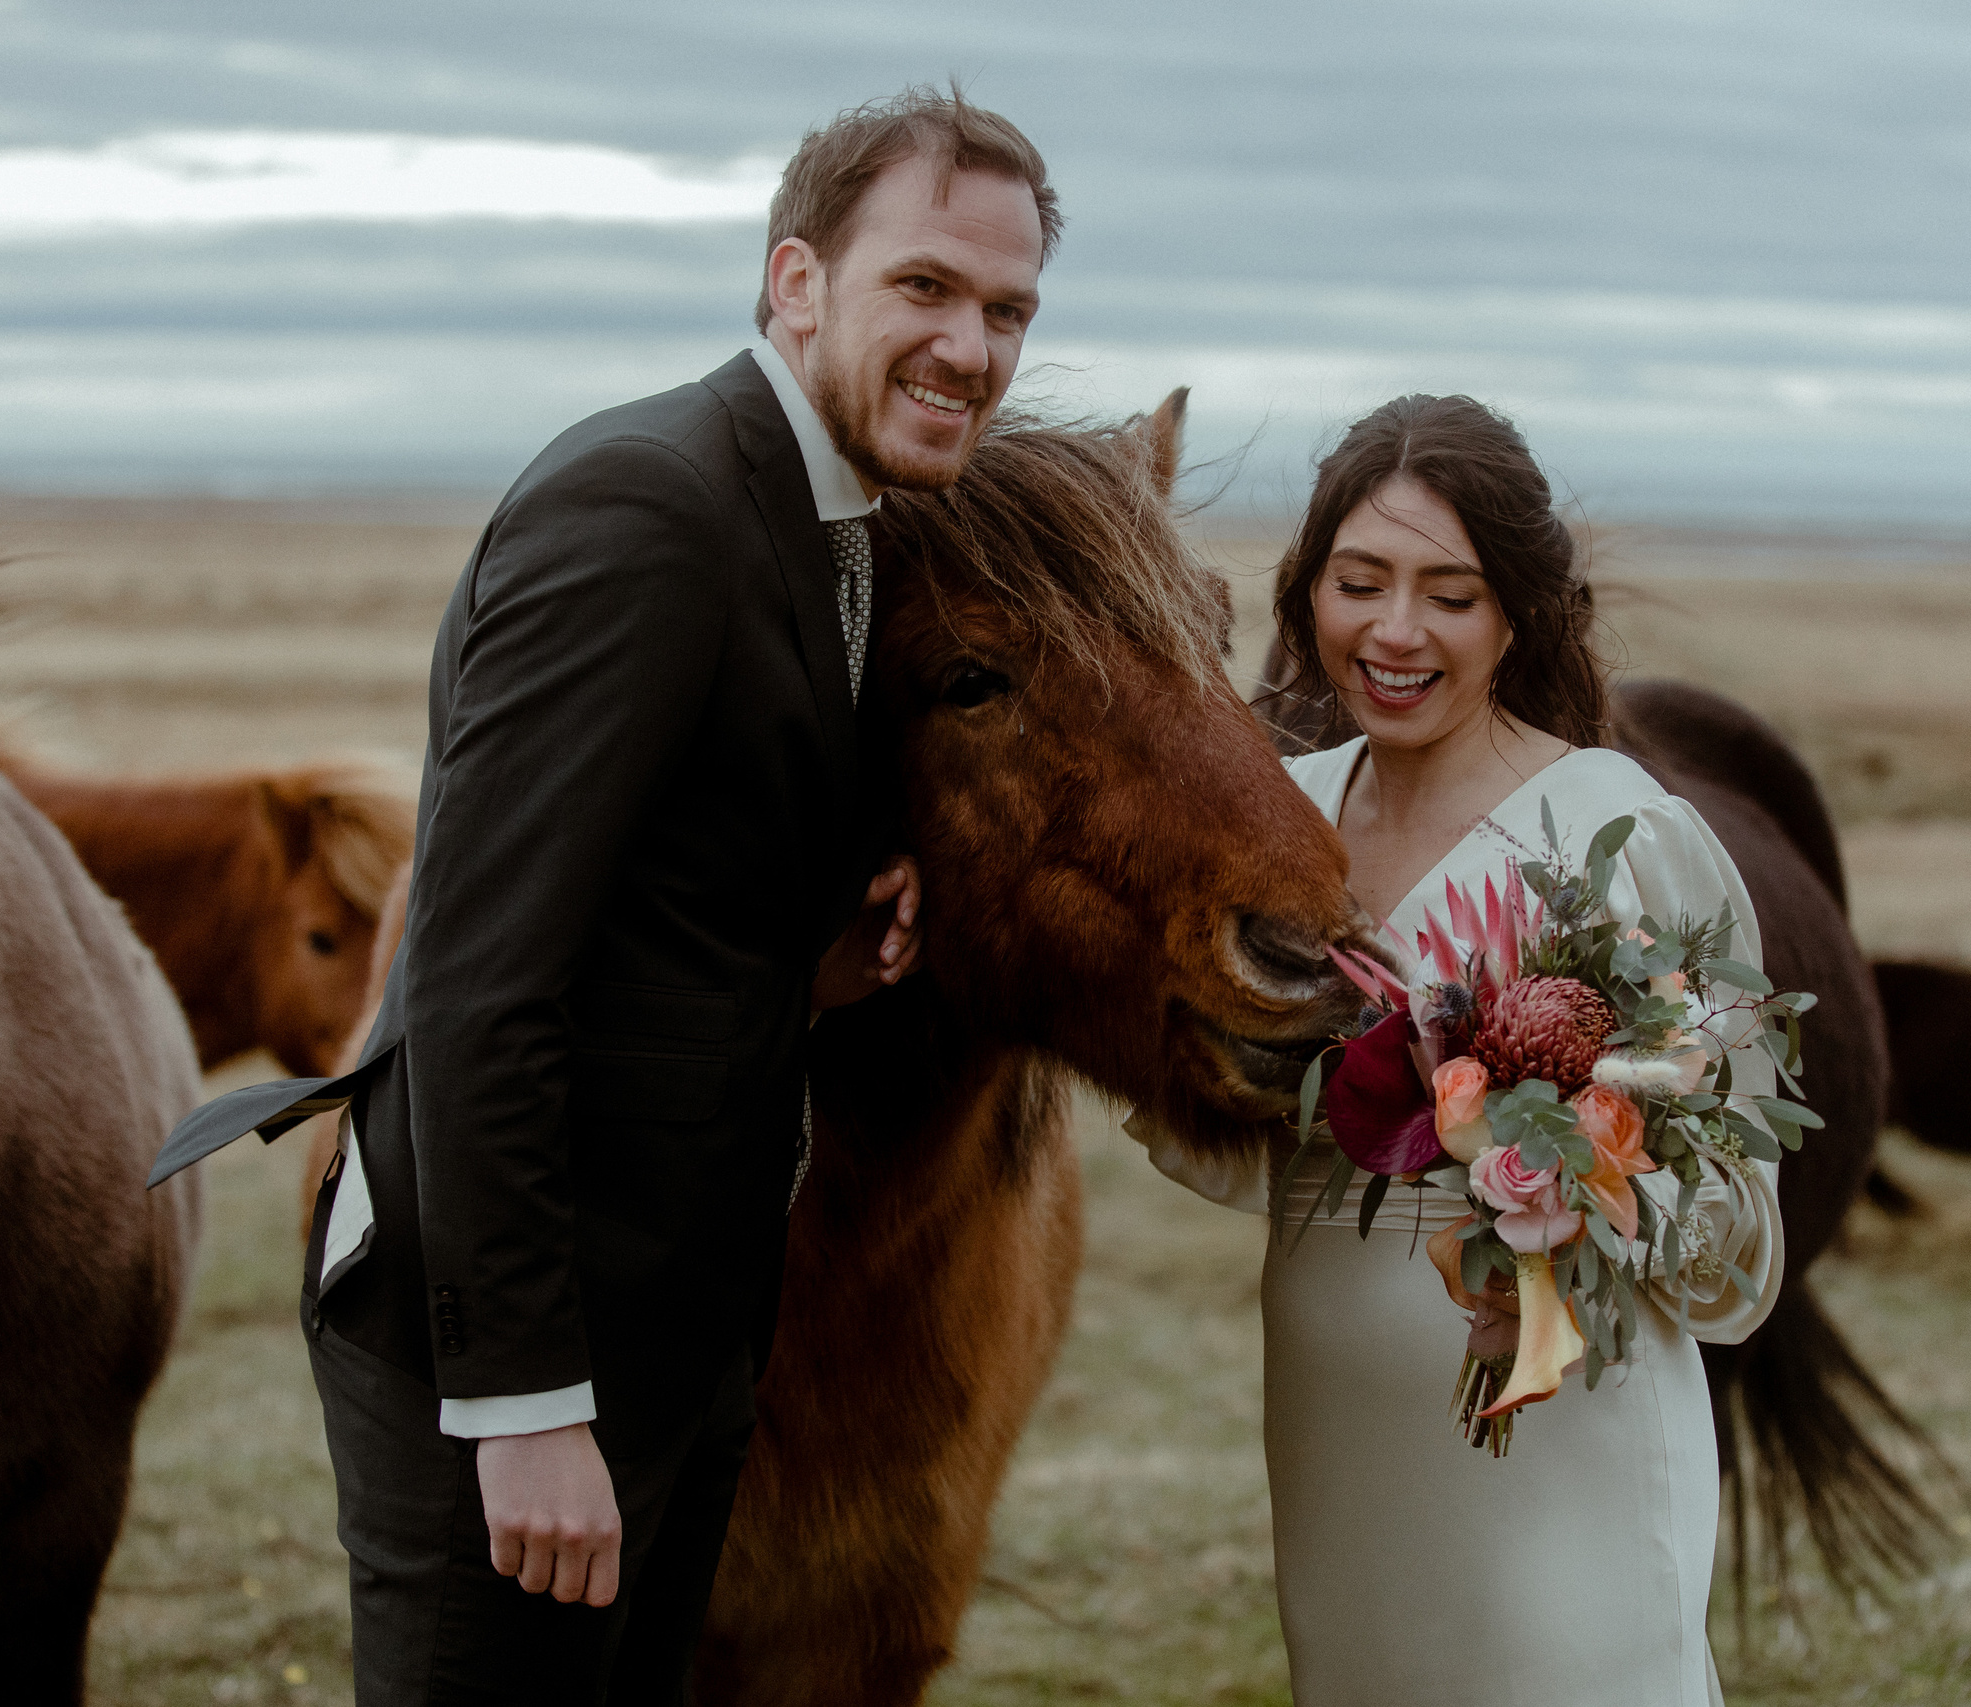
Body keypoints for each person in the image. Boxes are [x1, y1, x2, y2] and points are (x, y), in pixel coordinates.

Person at [145, 86, 1058, 1705]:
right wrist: (525, 1408)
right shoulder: (647, 506)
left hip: (674, 1334)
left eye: (1007, 310)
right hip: (516, 1363)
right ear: (795, 282)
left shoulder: (828, 524)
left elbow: (642, 907)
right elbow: (476, 984)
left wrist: (812, 960)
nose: (970, 348)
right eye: (924, 286)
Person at [1140, 395, 1785, 1705]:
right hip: (1337, 1418)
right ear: (1306, 594)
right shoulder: (1280, 819)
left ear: (1518, 616)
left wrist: (1575, 1185)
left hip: (1564, 1416)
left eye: (1450, 595)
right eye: (1358, 583)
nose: (1395, 631)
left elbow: (1735, 1207)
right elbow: (1207, 1121)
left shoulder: (1616, 831)